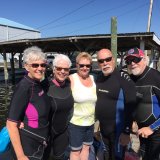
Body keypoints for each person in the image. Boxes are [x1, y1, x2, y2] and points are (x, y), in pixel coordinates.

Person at [6, 46, 52, 160]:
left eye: (43, 65)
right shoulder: (24, 87)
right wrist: (21, 156)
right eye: (35, 65)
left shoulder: (38, 83)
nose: (40, 68)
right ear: (26, 66)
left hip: (41, 141)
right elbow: (11, 124)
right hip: (28, 147)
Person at [95, 48, 136, 160]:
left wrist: (126, 132)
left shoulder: (123, 77)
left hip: (118, 130)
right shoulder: (99, 78)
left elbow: (131, 105)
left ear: (113, 59)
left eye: (107, 59)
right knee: (106, 155)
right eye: (101, 61)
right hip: (103, 129)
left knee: (117, 157)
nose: (105, 63)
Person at [125, 47, 160, 160]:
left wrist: (151, 128)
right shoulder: (131, 79)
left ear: (144, 59)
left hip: (157, 132)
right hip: (141, 132)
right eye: (129, 61)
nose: (132, 64)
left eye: (136, 60)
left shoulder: (156, 77)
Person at [68, 52, 97, 160]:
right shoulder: (71, 79)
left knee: (86, 148)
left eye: (88, 65)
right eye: (82, 65)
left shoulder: (94, 79)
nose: (85, 68)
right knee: (75, 152)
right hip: (76, 123)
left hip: (90, 122)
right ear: (77, 65)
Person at [47, 54, 74, 160]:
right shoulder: (45, 85)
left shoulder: (69, 83)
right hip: (46, 134)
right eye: (59, 68)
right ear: (53, 69)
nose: (62, 71)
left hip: (62, 133)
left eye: (66, 69)